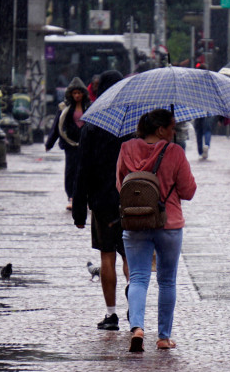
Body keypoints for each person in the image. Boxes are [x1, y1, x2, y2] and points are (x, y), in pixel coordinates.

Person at [116, 109, 197, 352]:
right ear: (161, 130)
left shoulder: (126, 148)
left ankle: (137, 328)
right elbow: (188, 191)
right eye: (171, 127)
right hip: (169, 223)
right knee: (167, 281)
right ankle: (163, 337)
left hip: (135, 221)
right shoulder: (175, 151)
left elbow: (120, 185)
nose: (174, 131)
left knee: (138, 278)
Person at [72, 70, 130, 331]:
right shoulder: (133, 123)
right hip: (130, 198)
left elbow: (82, 169)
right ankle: (134, 305)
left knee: (107, 255)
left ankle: (111, 314)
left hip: (102, 200)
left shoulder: (92, 124)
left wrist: (79, 210)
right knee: (130, 255)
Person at [46, 76, 89, 211]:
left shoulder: (90, 107)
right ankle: (71, 196)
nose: (77, 96)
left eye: (79, 93)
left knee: (84, 171)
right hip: (70, 145)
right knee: (71, 171)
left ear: (83, 93)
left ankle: (83, 196)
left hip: (86, 144)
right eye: (74, 93)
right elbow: (56, 126)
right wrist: (49, 143)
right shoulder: (64, 108)